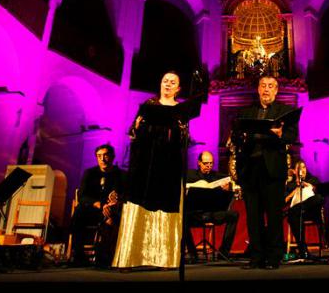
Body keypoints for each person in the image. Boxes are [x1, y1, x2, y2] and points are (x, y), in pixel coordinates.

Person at [112, 72, 189, 269]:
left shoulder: (181, 110)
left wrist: (182, 130)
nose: (168, 85)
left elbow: (185, 140)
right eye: (165, 81)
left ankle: (165, 258)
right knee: (139, 201)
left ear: (178, 88)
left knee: (166, 203)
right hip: (146, 164)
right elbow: (132, 134)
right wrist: (136, 127)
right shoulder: (148, 105)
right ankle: (131, 256)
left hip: (169, 165)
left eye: (173, 82)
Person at [233, 76, 298, 270]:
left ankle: (273, 257)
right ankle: (256, 258)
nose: (266, 89)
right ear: (258, 89)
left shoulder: (285, 112)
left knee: (274, 215)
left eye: (271, 86)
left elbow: (292, 136)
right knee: (253, 216)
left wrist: (280, 134)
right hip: (251, 170)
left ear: (276, 90)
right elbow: (236, 137)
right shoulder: (247, 112)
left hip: (273, 170)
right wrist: (241, 137)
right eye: (263, 86)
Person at [70, 144, 127, 267]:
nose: (102, 159)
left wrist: (114, 204)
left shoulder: (121, 174)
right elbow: (82, 196)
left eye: (105, 155)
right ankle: (78, 255)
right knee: (79, 213)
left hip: (114, 210)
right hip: (94, 209)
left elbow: (126, 194)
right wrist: (99, 205)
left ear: (112, 156)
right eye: (99, 156)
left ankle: (105, 256)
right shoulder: (90, 173)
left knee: (112, 219)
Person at [184, 151, 238, 262]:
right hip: (195, 214)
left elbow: (230, 181)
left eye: (211, 163)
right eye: (206, 163)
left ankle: (224, 252)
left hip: (212, 213)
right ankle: (193, 253)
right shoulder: (189, 175)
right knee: (181, 219)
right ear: (199, 163)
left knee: (234, 215)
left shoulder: (217, 176)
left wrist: (228, 188)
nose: (209, 166)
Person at [284, 159, 323, 260]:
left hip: (311, 211)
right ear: (294, 171)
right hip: (297, 214)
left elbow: (320, 192)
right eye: (299, 168)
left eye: (304, 167)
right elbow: (284, 201)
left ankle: (297, 209)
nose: (302, 170)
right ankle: (303, 251)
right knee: (293, 214)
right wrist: (295, 190)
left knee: (318, 198)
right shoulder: (290, 185)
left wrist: (307, 185)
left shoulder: (312, 180)